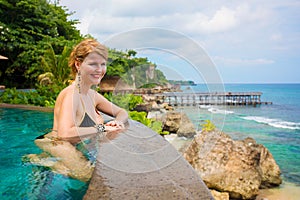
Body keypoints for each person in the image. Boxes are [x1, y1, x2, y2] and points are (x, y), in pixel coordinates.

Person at [25, 38, 128, 182]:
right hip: (59, 144)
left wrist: (117, 122)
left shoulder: (92, 95)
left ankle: (50, 163)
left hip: (75, 144)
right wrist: (102, 127)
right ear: (78, 64)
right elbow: (65, 133)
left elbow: (122, 112)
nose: (100, 69)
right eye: (93, 64)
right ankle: (51, 164)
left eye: (103, 64)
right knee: (88, 176)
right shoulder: (71, 94)